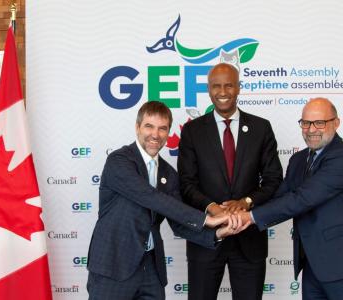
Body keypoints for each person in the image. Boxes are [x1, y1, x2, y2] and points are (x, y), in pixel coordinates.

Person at [86, 101, 242, 299]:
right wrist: (207, 218)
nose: (155, 135)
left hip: (151, 268)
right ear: (137, 127)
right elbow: (149, 197)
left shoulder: (168, 173)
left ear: (168, 133)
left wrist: (218, 232)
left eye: (162, 128)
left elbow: (179, 223)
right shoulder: (119, 161)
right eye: (149, 126)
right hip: (113, 266)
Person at [238, 98, 343, 300]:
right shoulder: (298, 160)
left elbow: (300, 199)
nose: (311, 129)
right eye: (305, 123)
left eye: (319, 123)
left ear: (336, 123)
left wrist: (249, 217)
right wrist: (241, 210)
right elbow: (280, 197)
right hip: (314, 268)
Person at [177, 63, 283, 300]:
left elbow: (274, 178)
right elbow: (186, 183)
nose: (222, 91)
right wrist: (213, 209)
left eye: (228, 85)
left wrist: (246, 201)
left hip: (250, 240)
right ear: (208, 89)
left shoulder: (261, 128)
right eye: (216, 86)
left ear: (238, 88)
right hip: (205, 239)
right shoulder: (192, 131)